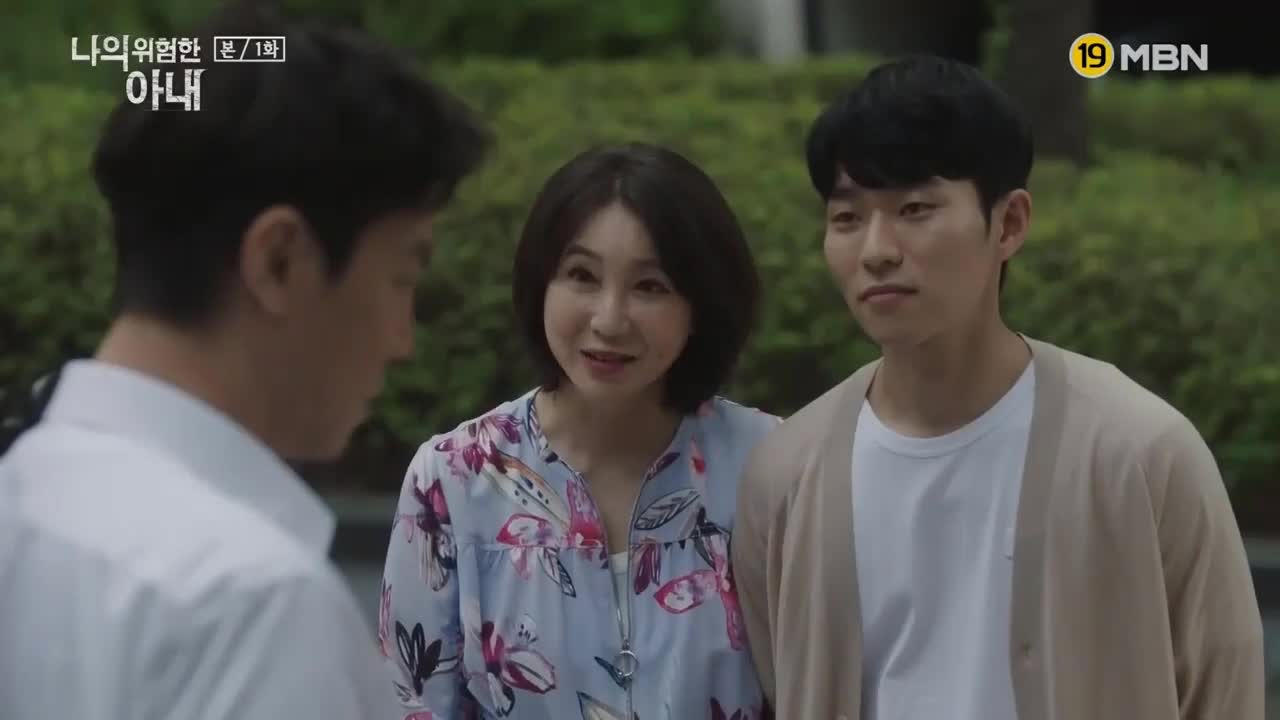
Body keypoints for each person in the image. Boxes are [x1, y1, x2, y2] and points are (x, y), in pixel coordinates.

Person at [730, 55, 1265, 720]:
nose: (876, 249)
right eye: (847, 218)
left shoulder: (1137, 451)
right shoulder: (787, 475)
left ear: (1009, 223)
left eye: (914, 209)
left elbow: (1224, 685)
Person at [0, 3, 490, 718]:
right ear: (279, 261)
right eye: (401, 277)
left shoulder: (23, 492)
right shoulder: (255, 603)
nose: (402, 340)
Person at [379, 142, 779, 719]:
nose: (609, 320)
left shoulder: (771, 467)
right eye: (581, 276)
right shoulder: (454, 480)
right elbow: (411, 703)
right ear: (539, 284)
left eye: (650, 286)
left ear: (702, 304)